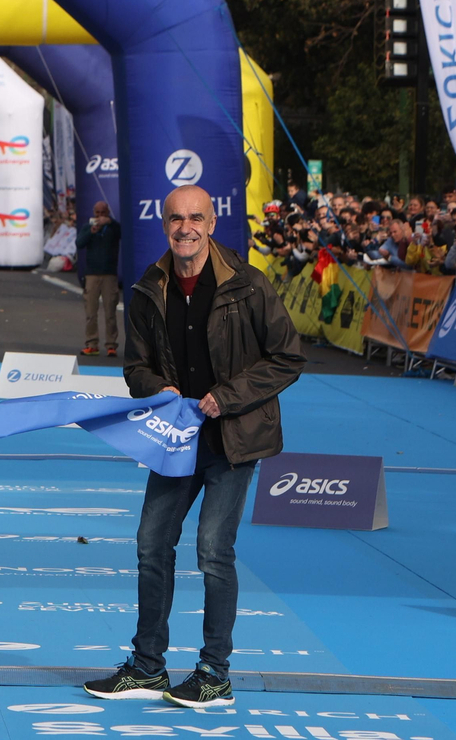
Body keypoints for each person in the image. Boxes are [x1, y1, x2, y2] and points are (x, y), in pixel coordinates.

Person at [85, 185, 304, 709]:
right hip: (176, 440)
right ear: (164, 225)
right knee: (150, 545)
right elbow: (135, 367)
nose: (185, 228)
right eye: (176, 219)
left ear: (212, 224)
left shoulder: (248, 284)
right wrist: (154, 387)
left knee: (212, 550)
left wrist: (227, 397)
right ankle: (147, 667)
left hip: (234, 439)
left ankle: (214, 674)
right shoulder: (149, 288)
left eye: (196, 218)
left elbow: (287, 357)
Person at [77, 200, 122, 357]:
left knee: (110, 312)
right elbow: (79, 243)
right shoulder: (88, 227)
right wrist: (91, 231)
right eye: (97, 213)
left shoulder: (113, 227)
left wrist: (109, 222)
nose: (100, 216)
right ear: (93, 213)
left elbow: (122, 233)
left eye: (103, 213)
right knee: (91, 312)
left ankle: (111, 345)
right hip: (92, 274)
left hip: (109, 274)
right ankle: (92, 344)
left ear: (107, 213)